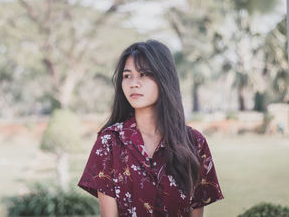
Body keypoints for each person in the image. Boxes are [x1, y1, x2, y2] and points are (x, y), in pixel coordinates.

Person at [77, 40, 224, 217]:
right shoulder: (109, 142)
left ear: (164, 78)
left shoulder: (195, 143)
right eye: (127, 75)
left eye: (144, 74)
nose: (134, 83)